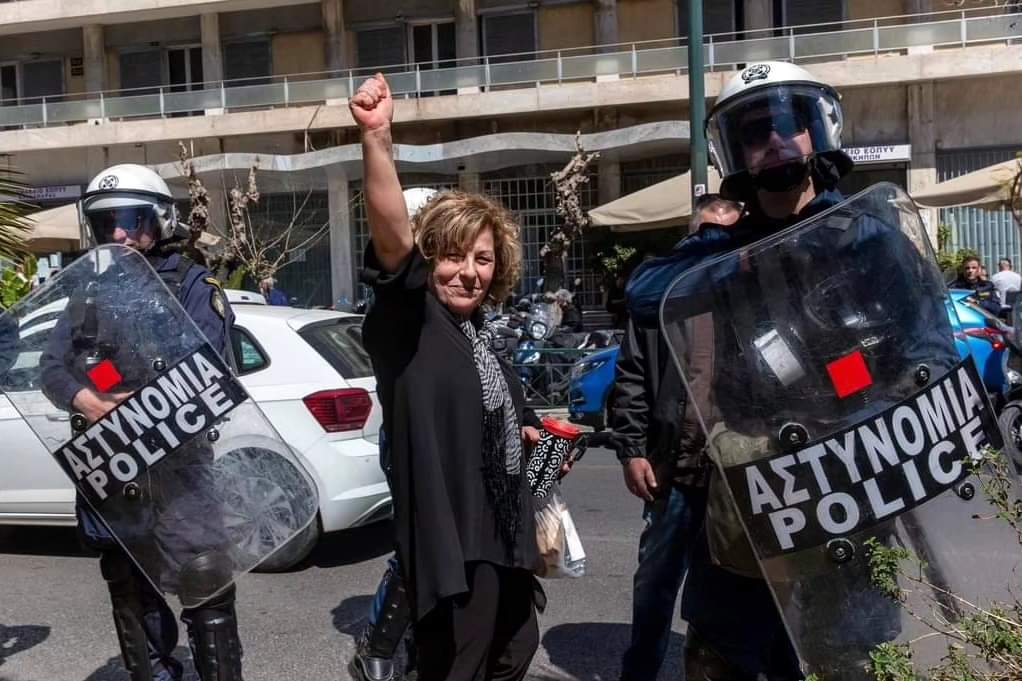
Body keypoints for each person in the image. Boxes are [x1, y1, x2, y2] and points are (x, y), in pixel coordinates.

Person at [625, 61, 911, 679]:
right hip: (753, 481)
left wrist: (895, 424)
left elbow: (928, 350)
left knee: (850, 656)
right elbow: (644, 296)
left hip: (849, 472)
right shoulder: (726, 244)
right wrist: (731, 256)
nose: (775, 140)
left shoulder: (865, 234)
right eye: (755, 132)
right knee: (726, 654)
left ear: (818, 129)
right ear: (735, 152)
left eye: (788, 123)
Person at [351, 72, 544, 681]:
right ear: (429, 257)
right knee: (457, 665)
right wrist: (377, 138)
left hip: (502, 533)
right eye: (454, 255)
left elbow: (498, 413)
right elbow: (391, 241)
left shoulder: (480, 335)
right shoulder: (411, 322)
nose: (468, 272)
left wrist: (533, 434)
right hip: (453, 546)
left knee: (515, 648)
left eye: (482, 259)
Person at [38, 163, 243, 681]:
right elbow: (54, 366)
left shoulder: (193, 285)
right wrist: (90, 398)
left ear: (161, 220)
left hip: (179, 470)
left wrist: (142, 398)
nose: (118, 234)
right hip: (114, 470)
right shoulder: (88, 296)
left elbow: (212, 370)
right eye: (105, 223)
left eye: (129, 219)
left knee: (206, 584)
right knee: (130, 593)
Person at [614, 194, 741, 681]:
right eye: (707, 233)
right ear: (690, 237)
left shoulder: (748, 293)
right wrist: (631, 451)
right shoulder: (663, 296)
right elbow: (632, 376)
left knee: (726, 592)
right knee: (656, 585)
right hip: (674, 471)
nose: (716, 244)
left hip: (734, 477)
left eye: (727, 234)